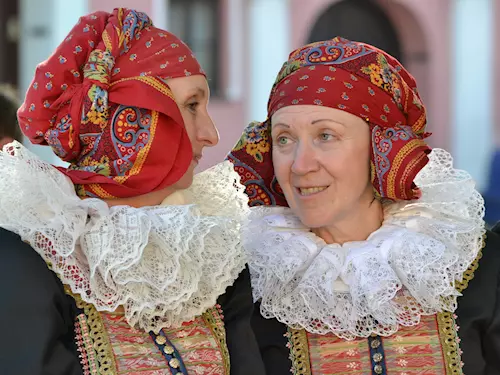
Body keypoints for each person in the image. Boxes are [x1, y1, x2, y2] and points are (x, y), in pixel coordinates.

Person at [0, 8, 265, 375]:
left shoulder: (212, 255)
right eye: (191, 105)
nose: (211, 134)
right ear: (133, 114)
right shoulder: (29, 257)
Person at [228, 37, 500, 375]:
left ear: (380, 147)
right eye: (284, 139)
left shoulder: (476, 267)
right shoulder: (250, 285)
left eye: (325, 136)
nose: (300, 164)